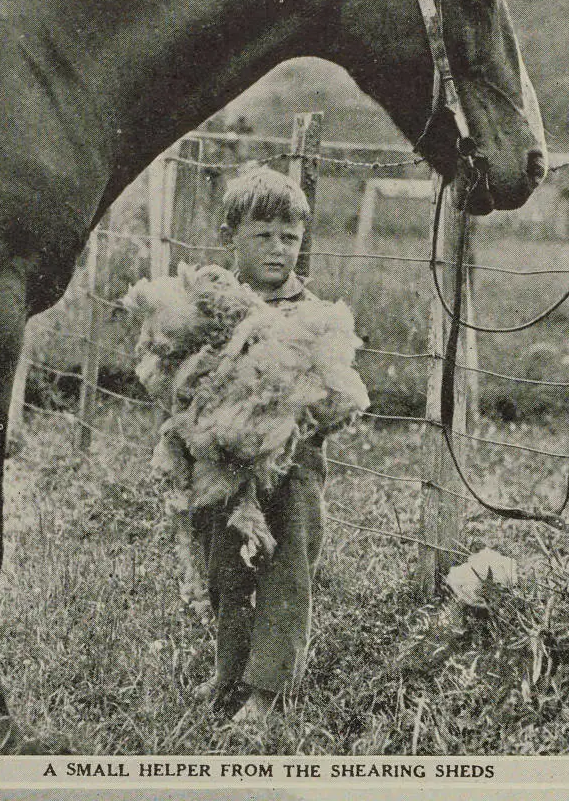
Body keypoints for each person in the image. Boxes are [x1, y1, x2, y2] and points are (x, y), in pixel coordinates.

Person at [192, 165, 330, 724]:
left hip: (291, 469)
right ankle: (230, 671)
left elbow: (333, 397)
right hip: (224, 466)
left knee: (285, 567)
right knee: (225, 567)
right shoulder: (213, 307)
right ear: (232, 236)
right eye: (263, 236)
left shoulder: (315, 315)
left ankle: (268, 691)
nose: (278, 250)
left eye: (290, 238)